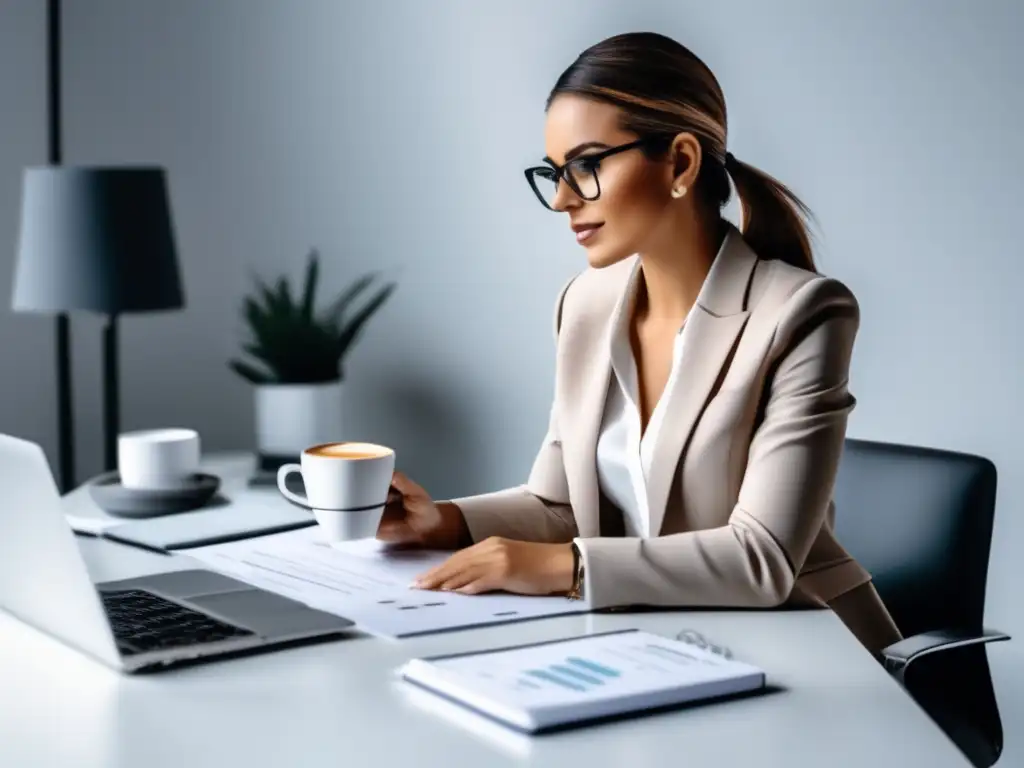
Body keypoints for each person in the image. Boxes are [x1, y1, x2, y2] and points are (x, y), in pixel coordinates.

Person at [376, 31, 902, 658]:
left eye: (588, 165)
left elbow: (761, 559)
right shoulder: (586, 304)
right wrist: (445, 522)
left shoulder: (801, 313)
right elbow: (559, 503)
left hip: (811, 651)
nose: (564, 199)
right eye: (554, 173)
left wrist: (564, 568)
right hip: (660, 642)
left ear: (680, 163)